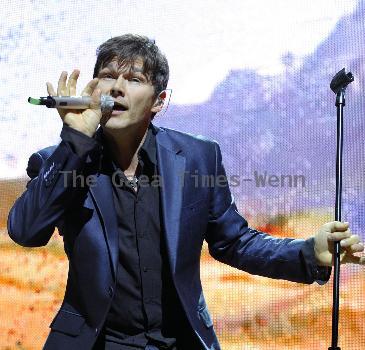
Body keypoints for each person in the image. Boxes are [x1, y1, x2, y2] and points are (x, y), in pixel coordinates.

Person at [7, 34, 365, 350]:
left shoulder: (197, 158)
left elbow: (234, 242)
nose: (116, 87)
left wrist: (309, 252)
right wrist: (75, 143)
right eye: (106, 77)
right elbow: (26, 231)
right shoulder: (59, 161)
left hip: (179, 342)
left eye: (133, 79)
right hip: (97, 342)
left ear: (158, 101)